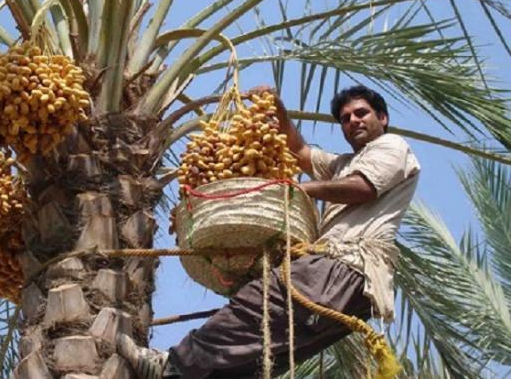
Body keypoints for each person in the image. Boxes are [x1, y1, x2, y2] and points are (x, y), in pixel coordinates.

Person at [118, 85, 421, 379]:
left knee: (256, 304)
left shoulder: (391, 146)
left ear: (382, 118)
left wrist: (296, 188)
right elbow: (300, 151)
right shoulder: (344, 163)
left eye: (361, 113)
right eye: (345, 118)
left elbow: (362, 188)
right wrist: (278, 109)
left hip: (345, 264)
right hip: (355, 291)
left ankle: (174, 365)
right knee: (268, 347)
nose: (353, 121)